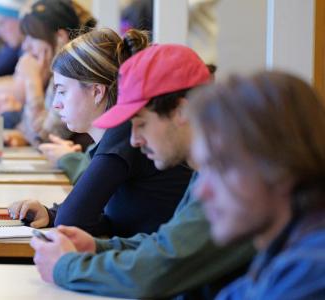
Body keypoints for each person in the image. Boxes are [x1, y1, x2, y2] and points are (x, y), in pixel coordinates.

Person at [29, 44, 254, 299]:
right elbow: (165, 244)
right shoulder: (210, 167)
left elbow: (157, 273)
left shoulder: (232, 179)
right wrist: (95, 247)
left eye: (141, 124)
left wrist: (65, 266)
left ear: (181, 111)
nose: (134, 140)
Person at [9, 28, 192, 238]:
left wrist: (60, 215)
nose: (57, 105)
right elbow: (111, 219)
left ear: (96, 92)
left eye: (62, 91)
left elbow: (72, 220)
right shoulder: (120, 134)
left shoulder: (124, 132)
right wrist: (51, 214)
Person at [188, 71, 325, 299]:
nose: (200, 192)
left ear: (282, 165)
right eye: (204, 170)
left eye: (222, 167)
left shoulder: (311, 269)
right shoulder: (282, 252)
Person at [2, 0, 95, 148]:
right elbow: (31, 133)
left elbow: (44, 138)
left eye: (32, 36)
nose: (26, 45)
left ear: (60, 37)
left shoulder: (74, 73)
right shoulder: (57, 72)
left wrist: (33, 82)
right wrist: (23, 136)